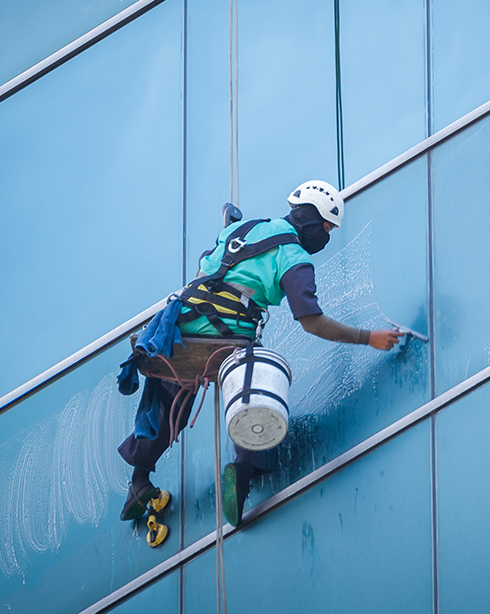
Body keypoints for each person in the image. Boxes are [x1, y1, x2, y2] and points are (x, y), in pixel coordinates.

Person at [117, 180, 401, 529]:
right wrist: (368, 337)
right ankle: (245, 470)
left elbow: (205, 267)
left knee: (168, 394)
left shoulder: (242, 228)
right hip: (227, 338)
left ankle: (139, 481)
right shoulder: (294, 257)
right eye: (326, 227)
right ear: (312, 219)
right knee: (258, 388)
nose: (325, 236)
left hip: (177, 328)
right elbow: (312, 323)